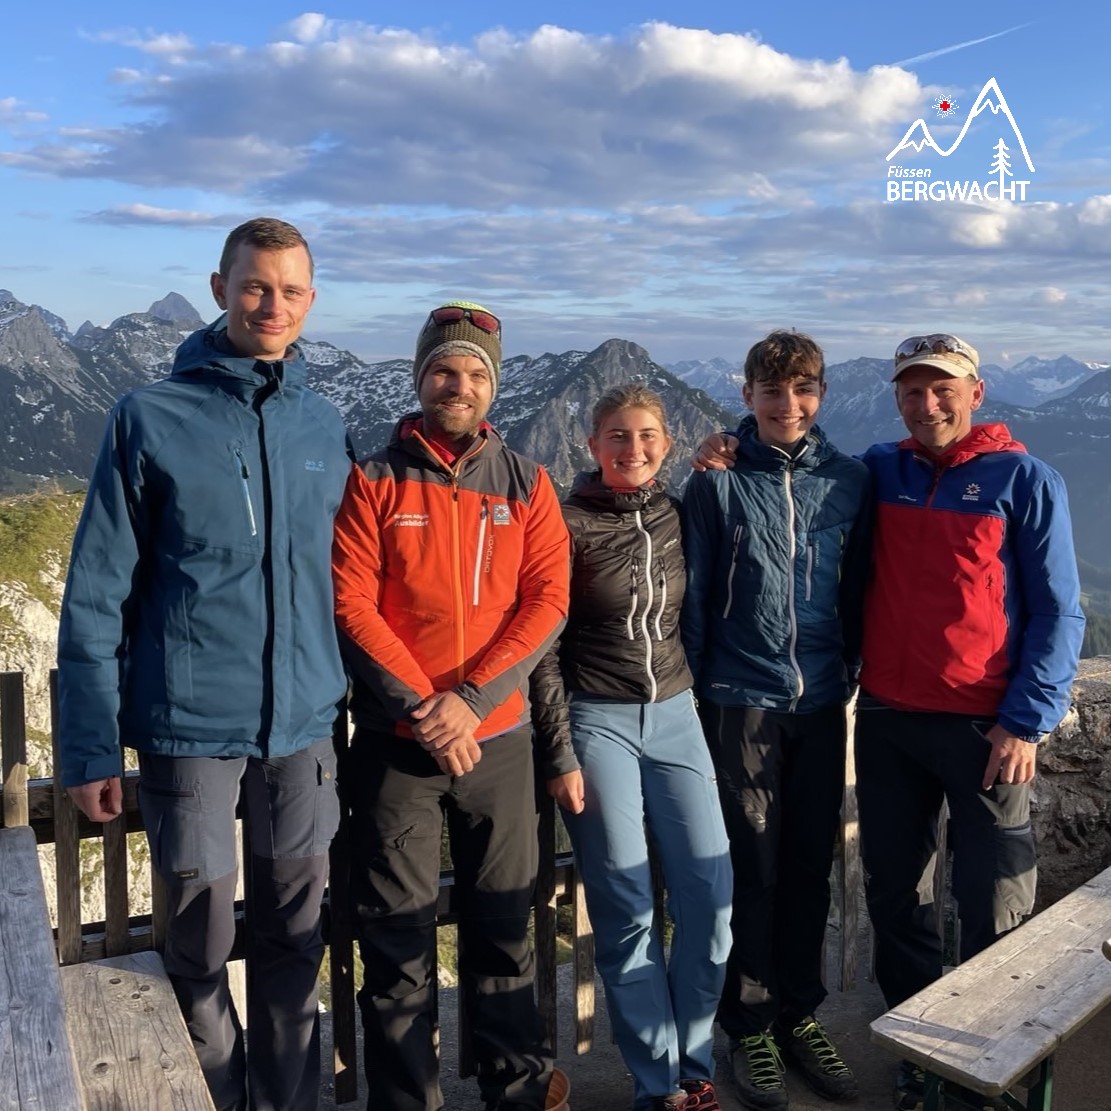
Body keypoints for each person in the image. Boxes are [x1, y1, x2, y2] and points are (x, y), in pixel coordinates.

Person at [57, 218, 351, 1111]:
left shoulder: (324, 423)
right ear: (220, 287)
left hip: (302, 729)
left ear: (310, 301)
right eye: (255, 286)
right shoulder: (149, 416)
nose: (272, 304)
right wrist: (89, 747)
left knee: (297, 935)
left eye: (290, 290)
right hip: (190, 733)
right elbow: (97, 589)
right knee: (198, 937)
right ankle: (217, 1096)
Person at [331, 302, 570, 1111]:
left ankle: (518, 1091)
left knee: (503, 926)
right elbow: (351, 603)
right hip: (398, 743)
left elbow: (546, 603)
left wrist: (468, 702)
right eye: (443, 369)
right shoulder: (372, 478)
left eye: (473, 373)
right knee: (394, 937)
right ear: (420, 377)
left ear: (491, 388)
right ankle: (406, 1100)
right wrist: (428, 709)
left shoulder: (528, 483)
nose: (456, 384)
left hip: (497, 739)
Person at [853, 334, 1085, 1110]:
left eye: (942, 388)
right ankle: (921, 1047)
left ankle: (989, 1062)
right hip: (886, 718)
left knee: (992, 899)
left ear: (975, 392)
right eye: (912, 391)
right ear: (897, 398)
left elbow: (1058, 609)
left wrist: (1026, 720)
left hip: (985, 728)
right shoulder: (879, 469)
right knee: (896, 896)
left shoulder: (1023, 478)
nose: (927, 404)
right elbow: (795, 469)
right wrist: (730, 443)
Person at [530, 384, 733, 1111]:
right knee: (625, 907)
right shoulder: (566, 521)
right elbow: (543, 648)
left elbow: (771, 448)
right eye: (616, 435)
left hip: (676, 712)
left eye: (646, 435)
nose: (632, 448)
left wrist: (724, 446)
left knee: (709, 900)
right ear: (592, 445)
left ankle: (696, 1062)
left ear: (668, 443)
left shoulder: (679, 512)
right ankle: (661, 1086)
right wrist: (559, 751)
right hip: (595, 718)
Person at [682, 331, 869, 1110]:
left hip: (822, 699)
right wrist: (695, 697)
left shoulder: (850, 481)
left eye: (802, 389)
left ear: (819, 393)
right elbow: (693, 600)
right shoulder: (717, 483)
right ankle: (749, 1026)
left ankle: (799, 1014)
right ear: (748, 391)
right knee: (751, 868)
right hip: (740, 699)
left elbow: (862, 586)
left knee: (804, 866)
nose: (787, 405)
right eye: (771, 389)